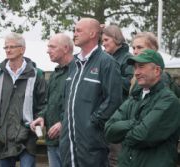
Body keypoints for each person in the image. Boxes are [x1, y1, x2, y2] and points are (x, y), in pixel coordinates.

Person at [59, 18, 123, 167]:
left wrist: (92, 123)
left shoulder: (107, 62)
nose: (74, 34)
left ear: (93, 33)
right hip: (68, 144)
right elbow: (66, 100)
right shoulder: (73, 64)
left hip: (92, 144)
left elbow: (114, 100)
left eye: (79, 30)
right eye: (74, 30)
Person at [105, 49, 180, 167]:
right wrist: (135, 123)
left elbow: (141, 137)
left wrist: (122, 134)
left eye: (141, 67)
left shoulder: (169, 100)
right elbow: (109, 130)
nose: (136, 72)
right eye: (135, 67)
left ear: (156, 70)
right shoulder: (134, 97)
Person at [0, 32, 47, 167]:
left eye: (12, 47)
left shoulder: (37, 75)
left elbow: (44, 104)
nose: (8, 50)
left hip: (27, 137)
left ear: (22, 49)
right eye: (6, 47)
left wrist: (37, 123)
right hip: (3, 138)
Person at [30, 33, 74, 167]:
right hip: (52, 141)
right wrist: (42, 116)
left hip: (70, 141)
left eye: (52, 47)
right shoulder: (55, 74)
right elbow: (49, 103)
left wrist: (63, 123)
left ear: (66, 48)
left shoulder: (77, 72)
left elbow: (80, 106)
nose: (48, 50)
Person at [102, 24, 134, 167]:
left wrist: (110, 75)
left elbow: (129, 84)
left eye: (106, 40)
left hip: (119, 117)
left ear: (116, 39)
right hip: (104, 117)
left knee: (116, 159)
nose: (103, 44)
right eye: (102, 41)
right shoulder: (104, 58)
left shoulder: (128, 59)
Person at [131, 32, 180, 97]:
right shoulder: (140, 76)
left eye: (139, 47)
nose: (135, 52)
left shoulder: (160, 78)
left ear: (152, 49)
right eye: (134, 48)